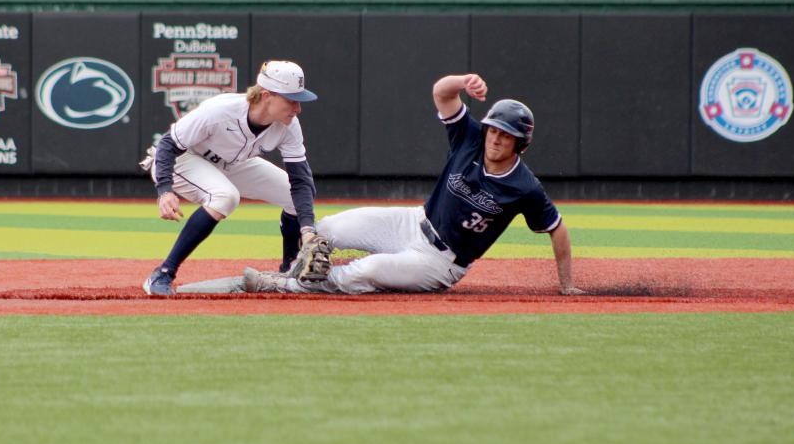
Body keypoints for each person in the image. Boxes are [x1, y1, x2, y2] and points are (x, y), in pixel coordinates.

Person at [243, 73, 585, 296]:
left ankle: (288, 287)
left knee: (364, 272)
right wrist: (463, 81)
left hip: (441, 262)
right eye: (494, 129)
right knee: (330, 226)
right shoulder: (470, 140)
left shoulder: (524, 187)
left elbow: (557, 228)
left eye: (505, 134)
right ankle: (292, 269)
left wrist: (566, 284)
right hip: (412, 222)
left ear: (520, 143)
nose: (495, 138)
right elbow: (441, 93)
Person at [141, 60, 321, 296]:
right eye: (291, 100)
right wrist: (165, 190)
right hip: (184, 159)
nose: (298, 108)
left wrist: (307, 227)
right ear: (267, 95)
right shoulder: (220, 111)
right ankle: (162, 274)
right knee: (226, 197)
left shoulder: (288, 125)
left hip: (232, 163)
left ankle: (288, 272)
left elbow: (300, 181)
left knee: (295, 196)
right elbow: (168, 144)